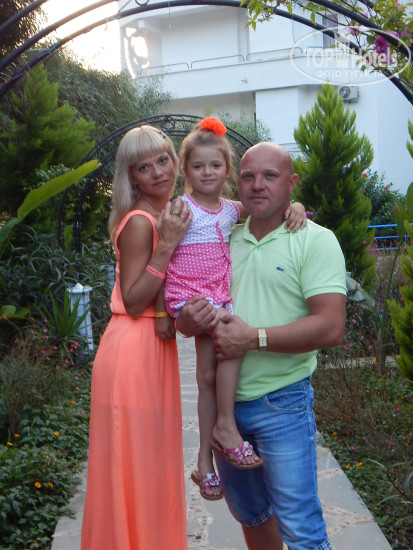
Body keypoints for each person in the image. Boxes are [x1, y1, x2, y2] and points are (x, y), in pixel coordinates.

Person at [176, 141, 347, 550]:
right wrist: (185, 320)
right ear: (237, 182)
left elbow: (331, 326)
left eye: (270, 176)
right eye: (249, 176)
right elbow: (184, 316)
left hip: (281, 405)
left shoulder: (315, 239)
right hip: (225, 409)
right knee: (252, 516)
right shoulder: (222, 235)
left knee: (302, 529)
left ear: (291, 182)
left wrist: (254, 338)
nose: (258, 185)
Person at [162, 118, 308, 501]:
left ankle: (204, 463)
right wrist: (165, 313)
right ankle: (225, 429)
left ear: (228, 171)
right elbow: (160, 253)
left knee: (212, 372)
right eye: (197, 165)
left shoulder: (231, 210)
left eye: (215, 165)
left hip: (217, 296)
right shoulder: (180, 208)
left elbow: (269, 207)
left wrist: (296, 205)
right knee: (224, 352)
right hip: (192, 297)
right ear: (185, 170)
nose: (207, 172)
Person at [81, 126, 193, 550]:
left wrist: (294, 207)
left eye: (163, 160)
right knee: (136, 465)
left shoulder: (170, 212)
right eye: (144, 167)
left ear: (174, 161)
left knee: (150, 464)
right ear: (132, 177)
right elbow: (131, 300)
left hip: (151, 348)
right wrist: (167, 246)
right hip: (133, 349)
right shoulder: (141, 223)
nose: (158, 172)